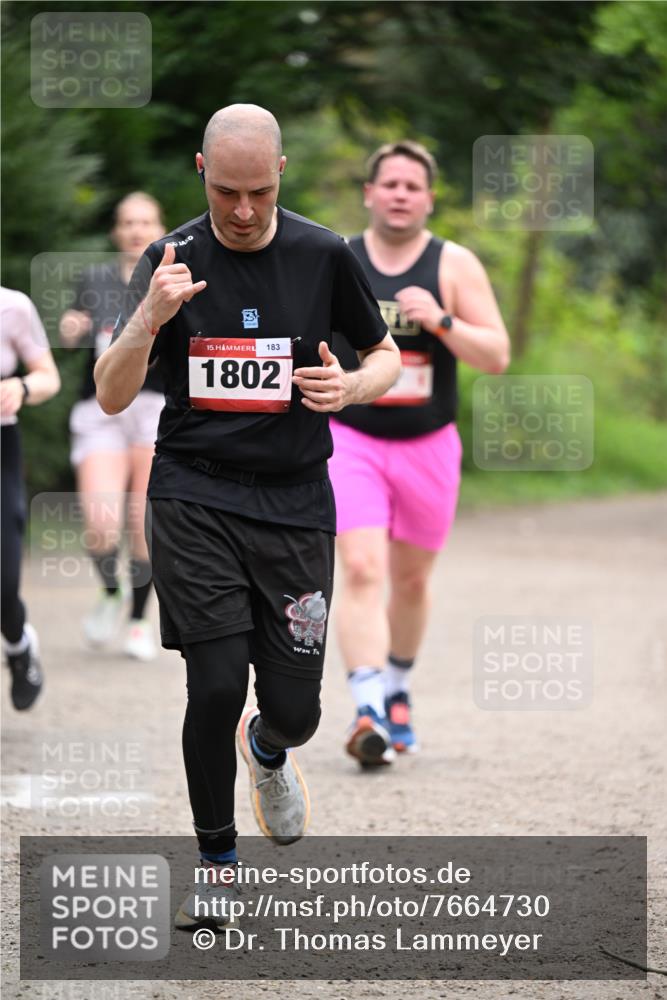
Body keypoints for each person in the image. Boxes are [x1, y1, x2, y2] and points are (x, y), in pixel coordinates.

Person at [94, 105, 400, 929]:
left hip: (296, 501)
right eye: (226, 191)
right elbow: (112, 391)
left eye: (257, 192)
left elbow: (384, 354)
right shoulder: (170, 259)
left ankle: (267, 749)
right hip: (195, 494)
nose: (241, 210)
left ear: (281, 174)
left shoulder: (321, 253)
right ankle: (216, 863)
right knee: (216, 683)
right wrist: (150, 316)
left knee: (295, 711)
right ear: (200, 170)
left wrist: (353, 389)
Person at [330, 141, 510, 766]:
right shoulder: (341, 258)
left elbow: (497, 356)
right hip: (351, 439)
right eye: (391, 184)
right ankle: (368, 707)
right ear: (370, 194)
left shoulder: (454, 264)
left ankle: (399, 689)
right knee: (360, 569)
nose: (401, 194)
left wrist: (440, 321)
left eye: (413, 186)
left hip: (429, 445)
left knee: (410, 580)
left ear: (428, 200)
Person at [59, 193, 166, 660]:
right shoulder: (94, 279)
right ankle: (110, 593)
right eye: (128, 222)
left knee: (143, 524)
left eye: (145, 222)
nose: (137, 230)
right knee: (101, 524)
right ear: (115, 231)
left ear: (160, 228)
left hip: (154, 407)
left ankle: (141, 621)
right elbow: (76, 329)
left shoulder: (169, 278)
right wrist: (72, 327)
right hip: (101, 406)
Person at [1, 287, 61, 709]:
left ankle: (19, 646)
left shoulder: (13, 306)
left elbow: (48, 375)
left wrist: (22, 387)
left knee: (3, 582)